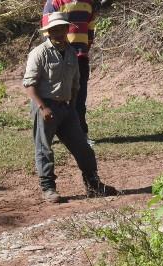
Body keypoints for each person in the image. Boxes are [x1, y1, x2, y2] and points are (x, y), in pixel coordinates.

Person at [23, 12, 117, 203]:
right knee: (44, 149)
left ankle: (93, 184)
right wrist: (43, 108)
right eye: (53, 30)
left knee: (83, 147)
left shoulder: (72, 53)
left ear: (67, 29)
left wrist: (72, 108)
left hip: (66, 108)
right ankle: (48, 188)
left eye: (60, 29)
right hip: (45, 107)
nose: (57, 33)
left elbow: (75, 85)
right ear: (48, 32)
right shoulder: (39, 53)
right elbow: (29, 85)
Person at [41, 0, 98, 141]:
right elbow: (48, 31)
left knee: (79, 97)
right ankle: (49, 134)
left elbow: (90, 32)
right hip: (60, 58)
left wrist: (82, 51)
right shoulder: (54, 2)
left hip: (80, 58)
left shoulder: (88, 3)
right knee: (54, 96)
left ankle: (81, 135)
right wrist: (61, 53)